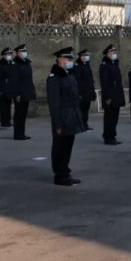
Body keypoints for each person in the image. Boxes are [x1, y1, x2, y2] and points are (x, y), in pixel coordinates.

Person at [47, 47, 83, 186]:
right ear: (60, 59)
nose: (70, 61)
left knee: (67, 147)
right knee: (60, 147)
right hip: (62, 119)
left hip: (71, 117)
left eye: (71, 59)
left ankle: (65, 172)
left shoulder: (69, 75)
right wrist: (57, 124)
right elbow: (54, 104)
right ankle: (60, 175)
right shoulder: (54, 78)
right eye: (68, 59)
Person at [8, 43, 35, 141]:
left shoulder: (26, 62)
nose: (24, 52)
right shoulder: (15, 64)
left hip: (26, 92)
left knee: (23, 114)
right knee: (19, 114)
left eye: (25, 51)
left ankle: (22, 133)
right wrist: (17, 94)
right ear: (17, 53)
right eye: (22, 51)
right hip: (19, 93)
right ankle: (18, 134)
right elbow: (14, 80)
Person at [99, 45, 125, 145]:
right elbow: (104, 83)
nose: (114, 52)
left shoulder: (114, 64)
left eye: (115, 51)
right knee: (109, 118)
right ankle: (108, 137)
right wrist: (107, 97)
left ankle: (112, 136)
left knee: (114, 117)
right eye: (112, 51)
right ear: (107, 53)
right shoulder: (104, 65)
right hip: (110, 97)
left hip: (116, 96)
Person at [74, 49, 96, 133]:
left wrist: (92, 92)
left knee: (86, 110)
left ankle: (85, 124)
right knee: (81, 110)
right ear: (80, 57)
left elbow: (90, 80)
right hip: (82, 93)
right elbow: (78, 81)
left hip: (88, 92)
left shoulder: (87, 65)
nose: (86, 57)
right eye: (84, 55)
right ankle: (81, 125)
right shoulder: (78, 66)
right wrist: (80, 93)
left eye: (87, 55)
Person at [0, 47, 14, 127]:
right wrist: (0, 89)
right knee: (3, 106)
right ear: (4, 55)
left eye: (10, 54)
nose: (9, 55)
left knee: (8, 105)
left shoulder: (11, 63)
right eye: (8, 54)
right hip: (2, 89)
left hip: (9, 88)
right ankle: (3, 121)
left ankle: (8, 120)